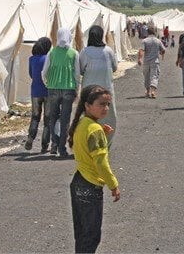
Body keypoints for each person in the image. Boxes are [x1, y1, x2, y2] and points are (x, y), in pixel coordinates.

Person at [68, 85, 120, 254]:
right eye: (101, 104)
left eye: (108, 104)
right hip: (90, 186)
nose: (105, 108)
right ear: (87, 105)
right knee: (92, 236)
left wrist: (100, 131)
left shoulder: (83, 123)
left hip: (78, 182)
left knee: (82, 234)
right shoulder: (95, 129)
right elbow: (101, 163)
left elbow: (85, 141)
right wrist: (113, 185)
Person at [42, 27, 80, 158]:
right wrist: (77, 89)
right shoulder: (74, 53)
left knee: (53, 118)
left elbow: (44, 71)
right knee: (65, 120)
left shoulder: (51, 53)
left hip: (52, 88)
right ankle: (62, 148)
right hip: (68, 89)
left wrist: (47, 82)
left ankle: (54, 145)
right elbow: (76, 74)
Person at [79, 25, 119, 145]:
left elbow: (81, 70)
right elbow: (115, 68)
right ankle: (106, 141)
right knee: (108, 115)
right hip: (105, 88)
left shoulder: (84, 51)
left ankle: (90, 142)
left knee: (88, 116)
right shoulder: (108, 51)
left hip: (88, 90)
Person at [25, 37, 52, 153]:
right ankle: (44, 145)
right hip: (48, 91)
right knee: (47, 119)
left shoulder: (32, 59)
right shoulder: (49, 59)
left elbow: (31, 74)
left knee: (35, 116)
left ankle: (30, 137)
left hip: (35, 91)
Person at [138, 27, 165, 98]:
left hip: (146, 61)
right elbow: (163, 49)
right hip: (155, 62)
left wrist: (140, 59)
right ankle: (153, 91)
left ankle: (147, 91)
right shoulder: (158, 41)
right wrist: (162, 55)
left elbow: (141, 50)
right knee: (154, 76)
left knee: (146, 77)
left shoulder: (145, 41)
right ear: (154, 32)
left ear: (147, 33)